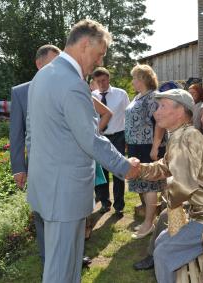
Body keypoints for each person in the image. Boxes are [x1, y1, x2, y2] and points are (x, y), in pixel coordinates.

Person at [25, 19, 140, 283]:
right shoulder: (72, 82)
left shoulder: (43, 75)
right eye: (99, 54)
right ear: (86, 44)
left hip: (48, 185)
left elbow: (31, 133)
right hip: (65, 191)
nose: (98, 62)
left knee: (67, 264)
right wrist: (125, 166)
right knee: (61, 269)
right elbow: (90, 139)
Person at [136, 89, 203, 283]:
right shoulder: (180, 135)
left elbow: (185, 186)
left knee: (164, 254)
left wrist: (165, 201)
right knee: (161, 241)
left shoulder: (188, 136)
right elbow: (166, 166)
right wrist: (138, 170)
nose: (155, 112)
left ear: (180, 111)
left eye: (162, 106)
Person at [9, 44, 60, 265]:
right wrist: (19, 167)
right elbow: (17, 133)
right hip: (38, 164)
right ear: (39, 64)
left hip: (65, 163)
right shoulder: (21, 92)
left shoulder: (65, 87)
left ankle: (68, 254)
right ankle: (47, 258)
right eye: (53, 63)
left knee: (66, 212)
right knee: (41, 212)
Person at [126, 64, 166, 239]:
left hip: (148, 146)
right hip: (136, 146)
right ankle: (150, 220)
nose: (133, 81)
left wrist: (155, 147)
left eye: (135, 78)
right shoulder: (138, 97)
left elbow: (159, 123)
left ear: (143, 79)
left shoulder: (152, 97)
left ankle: (149, 224)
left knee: (150, 185)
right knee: (142, 184)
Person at [92, 67, 130, 217]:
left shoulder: (121, 94)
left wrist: (128, 137)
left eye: (103, 80)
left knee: (118, 171)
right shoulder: (92, 95)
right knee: (102, 172)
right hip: (100, 137)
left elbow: (128, 116)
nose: (101, 83)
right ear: (95, 81)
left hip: (118, 136)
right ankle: (105, 203)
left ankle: (119, 205)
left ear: (108, 79)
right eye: (98, 81)